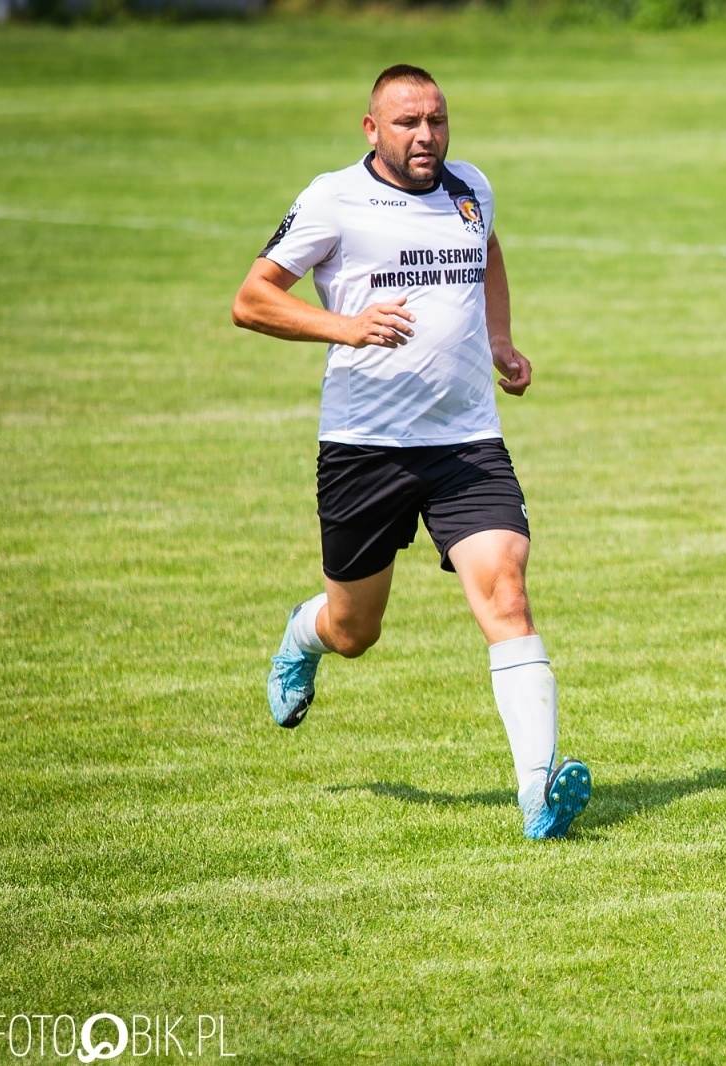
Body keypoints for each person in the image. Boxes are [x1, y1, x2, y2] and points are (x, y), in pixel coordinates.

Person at [231, 64, 590, 840]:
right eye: (406, 123)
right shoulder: (334, 199)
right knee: (357, 632)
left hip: (467, 441)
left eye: (436, 119)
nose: (425, 136)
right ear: (372, 129)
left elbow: (486, 248)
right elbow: (251, 299)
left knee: (507, 594)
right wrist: (344, 326)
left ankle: (538, 792)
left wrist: (499, 337)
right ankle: (306, 634)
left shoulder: (471, 188)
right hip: (366, 451)